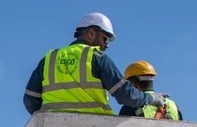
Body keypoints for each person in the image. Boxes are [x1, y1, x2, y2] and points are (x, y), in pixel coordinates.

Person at [23, 13, 169, 115]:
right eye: (105, 38)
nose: (107, 45)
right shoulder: (96, 57)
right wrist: (151, 99)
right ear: (91, 33)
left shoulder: (50, 59)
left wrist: (49, 120)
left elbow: (30, 101)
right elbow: (126, 96)